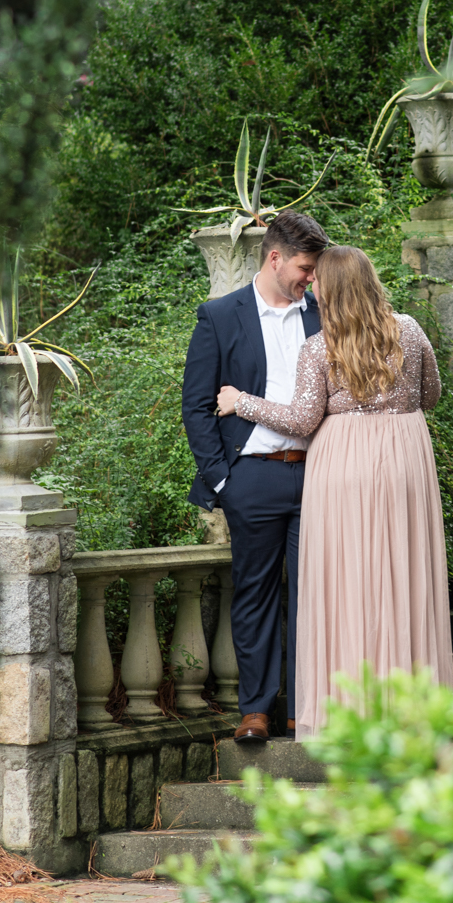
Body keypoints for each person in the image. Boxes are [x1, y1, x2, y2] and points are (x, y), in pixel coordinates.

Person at [217, 245, 453, 739]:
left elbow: (304, 419)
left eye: (320, 281)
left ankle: (348, 709)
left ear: (336, 288)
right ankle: (408, 706)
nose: (313, 287)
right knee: (402, 577)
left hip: (344, 465)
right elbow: (431, 395)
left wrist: (244, 402)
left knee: (347, 585)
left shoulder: (320, 346)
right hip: (405, 461)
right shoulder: (408, 330)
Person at [182, 210, 329, 744]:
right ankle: (258, 712)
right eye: (305, 268)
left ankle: (305, 710)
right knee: (256, 594)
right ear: (275, 257)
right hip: (253, 479)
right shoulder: (220, 316)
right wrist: (224, 482)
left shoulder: (324, 313)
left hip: (319, 475)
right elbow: (197, 406)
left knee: (316, 595)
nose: (310, 278)